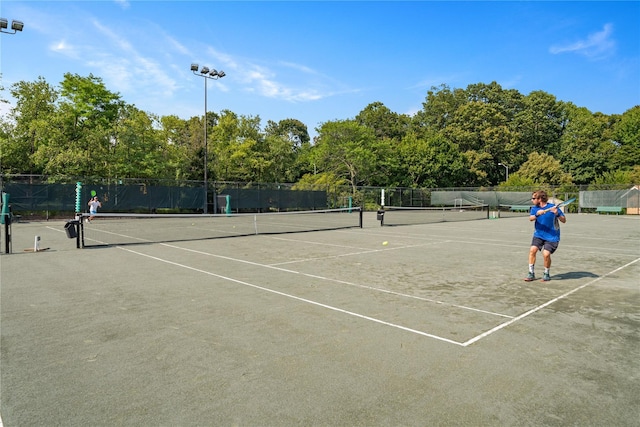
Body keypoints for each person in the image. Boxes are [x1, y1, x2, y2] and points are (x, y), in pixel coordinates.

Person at [525, 190, 566, 282]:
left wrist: (557, 213)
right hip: (538, 235)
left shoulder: (553, 208)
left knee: (546, 254)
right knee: (532, 250)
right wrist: (537, 214)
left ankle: (546, 273)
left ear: (539, 199)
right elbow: (531, 218)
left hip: (552, 236)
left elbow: (563, 220)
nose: (532, 200)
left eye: (533, 198)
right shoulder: (534, 209)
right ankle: (531, 273)